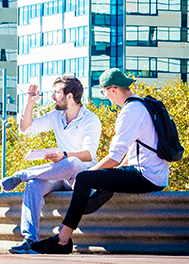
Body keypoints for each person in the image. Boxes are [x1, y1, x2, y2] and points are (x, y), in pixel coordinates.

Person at [30, 68, 169, 254]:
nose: (106, 97)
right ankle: (94, 198)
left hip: (145, 175)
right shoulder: (143, 105)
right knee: (104, 177)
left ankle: (62, 240)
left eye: (104, 92)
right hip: (154, 173)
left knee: (85, 178)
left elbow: (114, 157)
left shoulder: (130, 112)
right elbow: (132, 151)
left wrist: (88, 175)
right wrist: (109, 176)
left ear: (113, 89)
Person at [0, 75, 101, 254]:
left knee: (73, 162)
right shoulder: (56, 116)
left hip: (80, 176)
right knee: (33, 184)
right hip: (58, 174)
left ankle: (23, 174)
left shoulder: (90, 120)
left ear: (69, 96)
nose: (52, 97)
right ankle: (30, 239)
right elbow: (26, 129)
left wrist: (64, 155)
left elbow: (88, 154)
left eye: (56, 93)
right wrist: (30, 102)